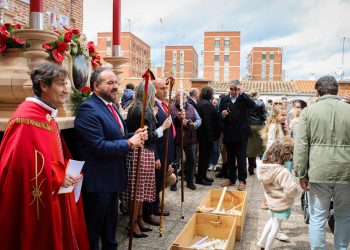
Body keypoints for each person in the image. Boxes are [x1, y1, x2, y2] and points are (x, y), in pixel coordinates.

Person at [0, 63, 88, 250]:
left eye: (67, 84)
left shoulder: (45, 115)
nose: (66, 90)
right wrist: (58, 175)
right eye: (61, 84)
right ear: (44, 86)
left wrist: (67, 171)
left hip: (55, 192)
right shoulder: (26, 118)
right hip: (39, 199)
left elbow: (50, 154)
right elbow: (23, 164)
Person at [74, 66, 147, 250]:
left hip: (113, 178)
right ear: (96, 86)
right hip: (98, 181)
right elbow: (98, 146)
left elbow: (117, 137)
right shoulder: (88, 109)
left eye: (116, 82)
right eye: (110, 83)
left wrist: (133, 134)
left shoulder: (111, 106)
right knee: (94, 229)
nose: (115, 86)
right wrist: (129, 143)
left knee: (110, 227)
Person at [294, 76, 350, 249]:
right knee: (344, 215)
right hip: (346, 171)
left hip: (319, 171)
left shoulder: (309, 112)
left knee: (318, 217)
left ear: (317, 91)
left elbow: (302, 144)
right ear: (336, 90)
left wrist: (301, 172)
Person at [121, 81, 172, 238]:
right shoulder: (145, 110)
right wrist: (163, 127)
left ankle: (138, 219)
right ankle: (133, 222)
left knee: (140, 191)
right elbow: (150, 137)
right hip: (142, 153)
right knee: (137, 192)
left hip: (140, 152)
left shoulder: (136, 108)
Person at [142, 78, 177, 226]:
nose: (165, 91)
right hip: (158, 149)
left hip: (166, 149)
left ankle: (155, 207)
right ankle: (148, 212)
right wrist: (156, 156)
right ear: (154, 90)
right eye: (162, 88)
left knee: (160, 180)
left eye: (165, 88)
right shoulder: (151, 106)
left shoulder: (164, 105)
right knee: (154, 182)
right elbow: (152, 135)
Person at [256, 140, 299, 250]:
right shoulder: (283, 172)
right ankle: (267, 248)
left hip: (271, 202)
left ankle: (260, 243)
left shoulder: (265, 170)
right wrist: (295, 193)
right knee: (276, 226)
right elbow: (291, 190)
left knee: (271, 221)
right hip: (282, 203)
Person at [219, 80, 256, 190]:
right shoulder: (224, 99)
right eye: (232, 89)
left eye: (237, 89)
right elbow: (220, 114)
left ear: (240, 89)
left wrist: (243, 93)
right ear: (229, 88)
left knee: (241, 157)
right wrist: (222, 114)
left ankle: (242, 180)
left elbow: (253, 105)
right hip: (229, 132)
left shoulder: (243, 98)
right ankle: (231, 179)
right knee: (230, 157)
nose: (234, 91)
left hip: (241, 133)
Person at [170, 90, 202, 190]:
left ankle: (190, 181)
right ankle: (174, 182)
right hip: (177, 139)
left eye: (184, 95)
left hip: (190, 138)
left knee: (191, 160)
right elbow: (168, 122)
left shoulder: (191, 107)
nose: (183, 96)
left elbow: (199, 120)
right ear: (175, 98)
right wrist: (178, 121)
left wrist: (193, 124)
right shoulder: (170, 108)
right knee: (175, 161)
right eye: (180, 95)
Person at [196, 86, 220, 186]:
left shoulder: (202, 102)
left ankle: (203, 176)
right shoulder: (205, 104)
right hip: (206, 135)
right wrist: (212, 136)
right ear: (210, 93)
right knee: (204, 157)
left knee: (204, 156)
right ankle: (200, 178)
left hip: (204, 134)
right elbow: (208, 122)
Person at [247, 90, 267, 175]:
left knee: (250, 147)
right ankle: (262, 167)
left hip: (249, 126)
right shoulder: (261, 103)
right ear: (257, 95)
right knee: (262, 146)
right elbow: (263, 116)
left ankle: (251, 167)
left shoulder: (247, 102)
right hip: (259, 126)